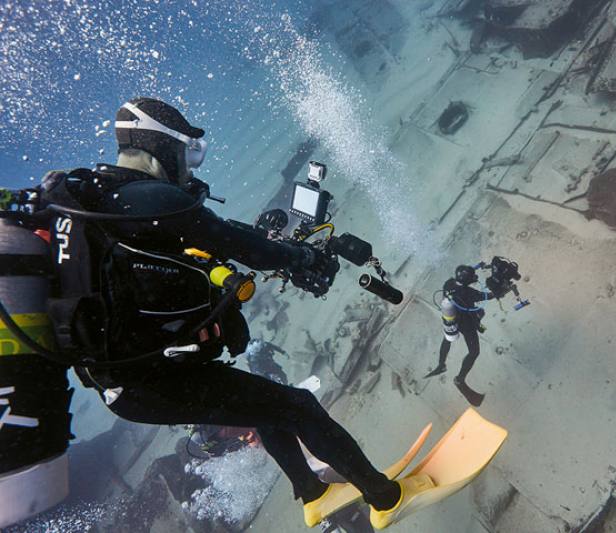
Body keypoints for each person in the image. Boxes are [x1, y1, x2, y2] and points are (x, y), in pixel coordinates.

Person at [16, 97, 432, 528]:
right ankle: (387, 498)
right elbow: (237, 243)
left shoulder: (93, 201)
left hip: (128, 381)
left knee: (265, 407)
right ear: (163, 147)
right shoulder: (147, 198)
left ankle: (314, 494)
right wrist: (299, 257)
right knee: (299, 407)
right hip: (150, 383)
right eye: (189, 152)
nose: (191, 167)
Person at [424, 265, 496, 406]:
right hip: (467, 325)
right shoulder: (467, 292)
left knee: (448, 338)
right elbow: (486, 296)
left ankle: (441, 364)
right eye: (472, 277)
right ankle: (460, 379)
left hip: (453, 320)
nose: (474, 278)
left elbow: (463, 289)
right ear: (467, 280)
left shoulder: (449, 283)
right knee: (474, 352)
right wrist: (501, 289)